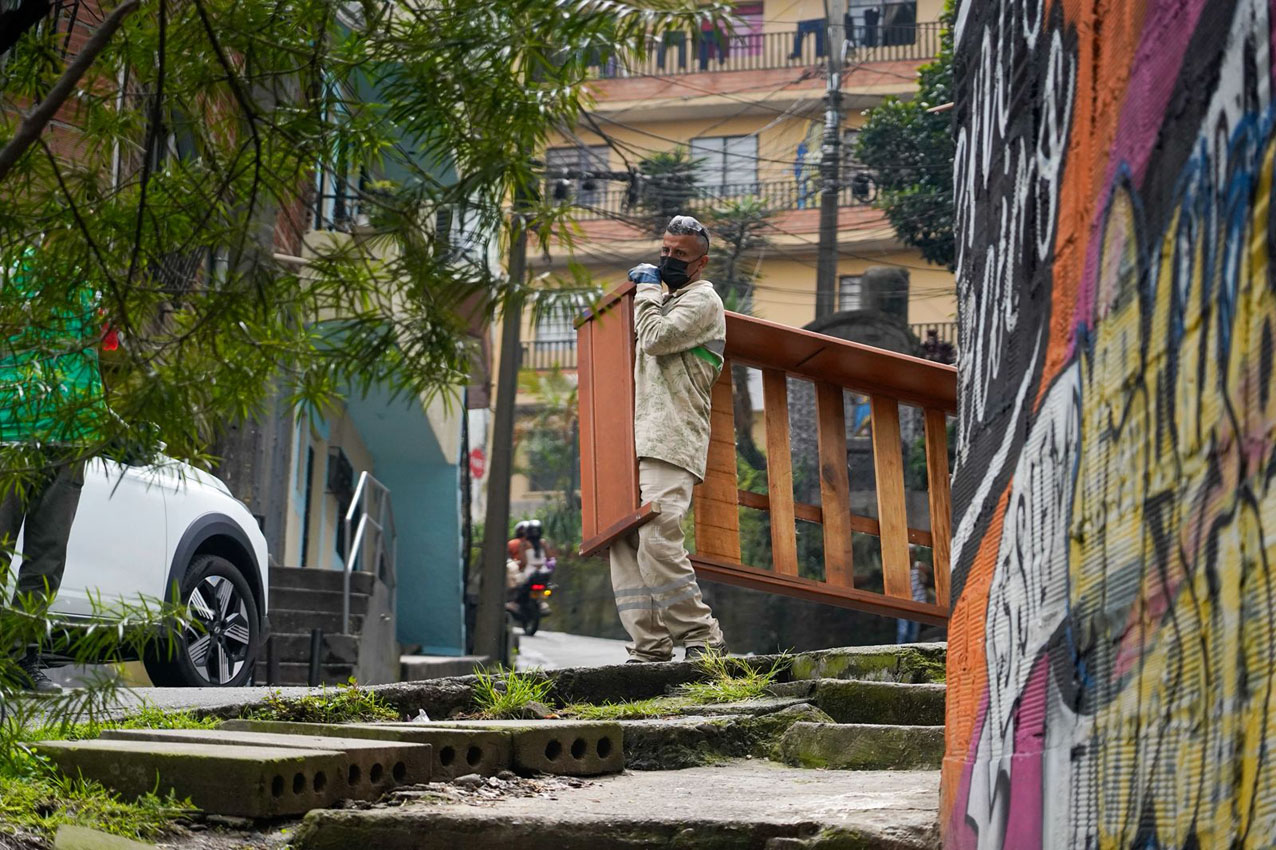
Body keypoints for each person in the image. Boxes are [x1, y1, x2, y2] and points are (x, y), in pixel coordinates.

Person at [610, 215, 727, 663]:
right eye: (665, 250)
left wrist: (645, 290)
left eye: (680, 254)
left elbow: (656, 338)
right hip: (635, 440)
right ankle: (649, 648)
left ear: (701, 262)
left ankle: (703, 637)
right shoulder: (664, 299)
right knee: (622, 543)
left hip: (672, 439)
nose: (668, 259)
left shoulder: (702, 299)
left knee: (658, 537)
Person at [0, 245, 109, 693]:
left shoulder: (91, 290)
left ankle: (19, 661)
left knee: (46, 559)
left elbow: (111, 351)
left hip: (70, 437)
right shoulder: (9, 280)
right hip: (10, 431)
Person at [895, 548, 932, 644]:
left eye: (912, 553)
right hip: (904, 604)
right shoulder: (901, 569)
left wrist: (923, 573)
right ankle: (900, 652)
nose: (910, 556)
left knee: (913, 633)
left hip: (917, 603)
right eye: (908, 553)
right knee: (903, 631)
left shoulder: (919, 568)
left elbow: (927, 580)